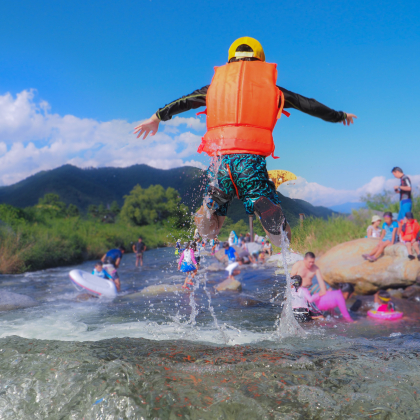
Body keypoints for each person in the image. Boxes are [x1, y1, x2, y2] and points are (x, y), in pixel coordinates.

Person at [134, 37, 357, 248]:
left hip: (221, 163)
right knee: (282, 241)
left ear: (231, 58)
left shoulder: (213, 89)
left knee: (210, 233)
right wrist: (339, 116)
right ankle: (264, 206)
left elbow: (184, 102)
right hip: (250, 161)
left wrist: (157, 117)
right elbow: (308, 104)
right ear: (260, 58)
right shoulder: (273, 89)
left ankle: (207, 207)